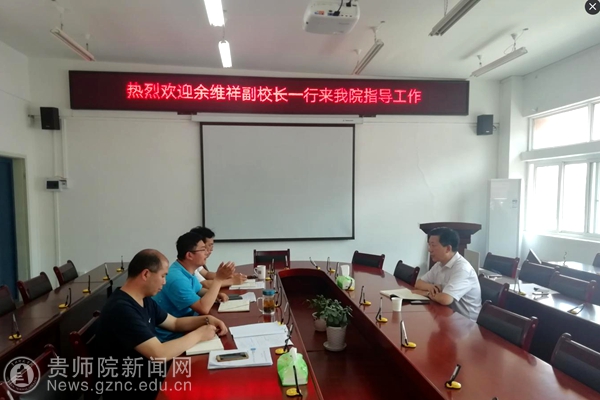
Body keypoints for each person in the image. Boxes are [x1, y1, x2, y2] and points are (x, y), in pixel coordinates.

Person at [93, 249, 228, 400]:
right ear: (146, 274)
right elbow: (158, 354)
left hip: (151, 375)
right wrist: (199, 334)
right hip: (134, 387)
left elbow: (175, 323)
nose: (164, 281)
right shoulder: (121, 309)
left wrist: (206, 319)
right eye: (163, 276)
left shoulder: (144, 300)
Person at [153, 232, 235, 341]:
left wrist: (215, 294)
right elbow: (203, 308)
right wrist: (218, 279)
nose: (207, 252)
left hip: (188, 323)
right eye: (203, 249)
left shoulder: (186, 270)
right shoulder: (177, 278)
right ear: (189, 255)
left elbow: (199, 290)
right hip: (172, 335)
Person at [413, 227, 482, 321]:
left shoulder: (462, 269)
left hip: (466, 323)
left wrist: (426, 293)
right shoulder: (440, 264)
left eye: (433, 245)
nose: (429, 250)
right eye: (429, 245)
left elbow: (446, 299)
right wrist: (431, 287)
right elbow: (418, 283)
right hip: (447, 315)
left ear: (448, 248)